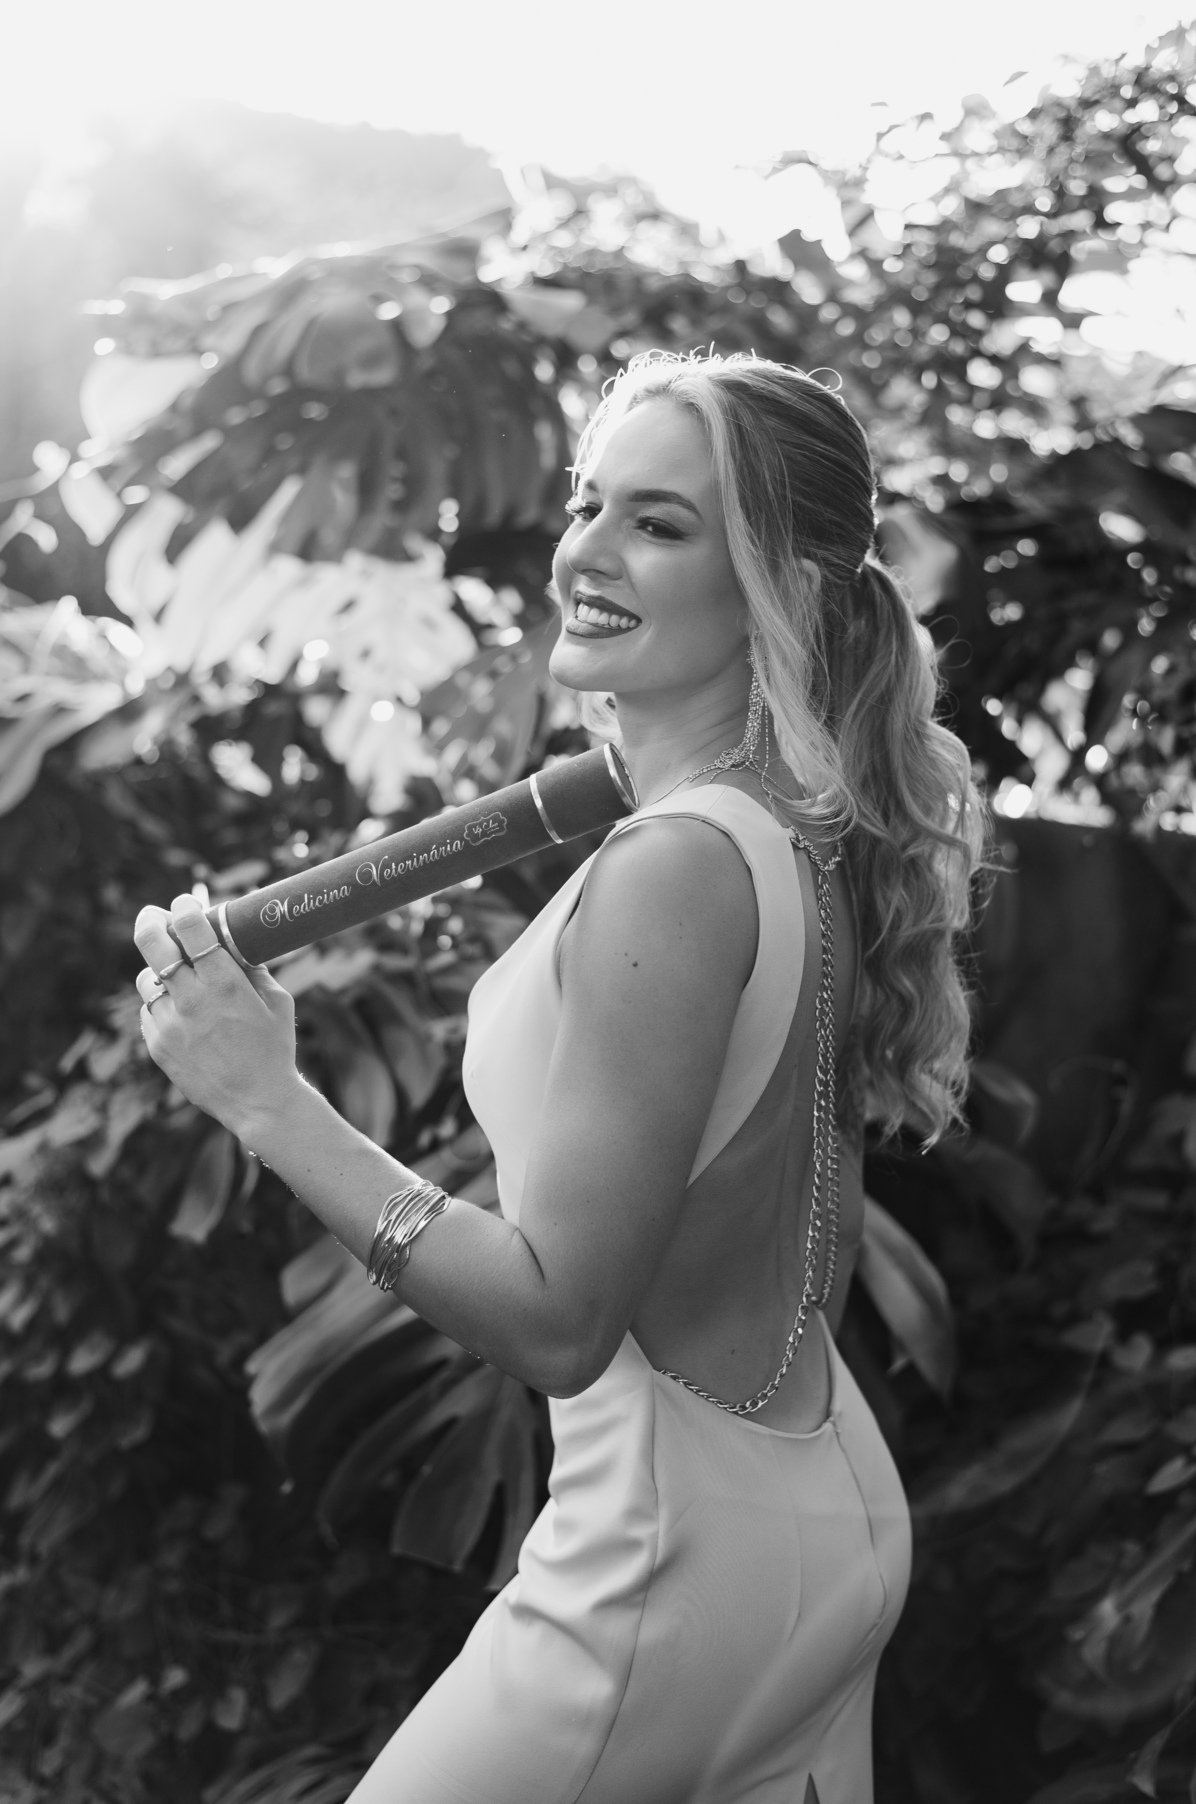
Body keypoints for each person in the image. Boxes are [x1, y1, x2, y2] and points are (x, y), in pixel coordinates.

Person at [134, 349, 984, 1803]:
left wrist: (264, 1098)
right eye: (590, 504)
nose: (588, 548)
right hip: (816, 1500)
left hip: (663, 1562)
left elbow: (557, 1322)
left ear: (778, 584)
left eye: (661, 523)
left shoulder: (677, 864)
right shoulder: (784, 825)